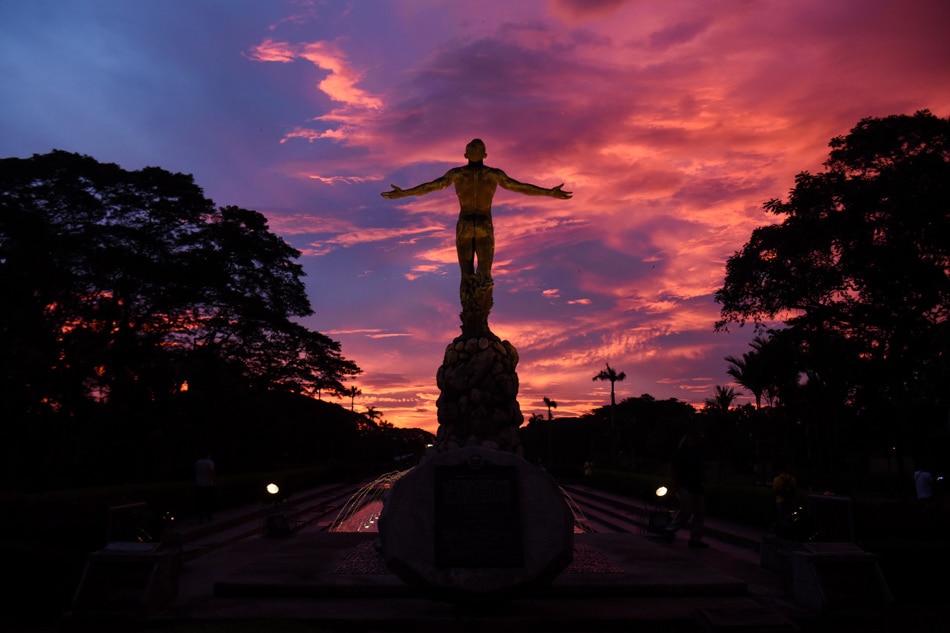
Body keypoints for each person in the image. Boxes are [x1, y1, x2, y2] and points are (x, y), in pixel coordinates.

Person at [381, 138, 572, 281]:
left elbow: (430, 187)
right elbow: (520, 187)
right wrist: (549, 193)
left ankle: (474, 327)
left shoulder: (457, 174)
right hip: (483, 223)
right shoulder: (493, 175)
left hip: (465, 224)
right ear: (485, 155)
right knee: (484, 275)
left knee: (466, 275)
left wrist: (404, 193)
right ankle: (477, 327)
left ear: (466, 156)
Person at [663, 429, 708, 548]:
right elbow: (672, 467)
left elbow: (701, 469)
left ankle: (695, 539)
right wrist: (676, 483)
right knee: (685, 511)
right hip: (685, 485)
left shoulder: (698, 453)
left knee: (699, 513)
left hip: (696, 485)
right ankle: (670, 530)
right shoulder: (681, 452)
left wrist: (704, 481)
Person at [772, 465, 798, 533]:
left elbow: (775, 491)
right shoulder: (792, 478)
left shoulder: (777, 479)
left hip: (780, 500)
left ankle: (783, 531)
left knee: (782, 517)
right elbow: (794, 490)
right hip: (790, 500)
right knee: (791, 516)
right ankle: (791, 531)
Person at [195, 451, 216, 521]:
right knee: (208, 500)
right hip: (208, 484)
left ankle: (200, 515)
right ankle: (208, 515)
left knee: (201, 500)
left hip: (199, 484)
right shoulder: (210, 462)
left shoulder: (198, 462)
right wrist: (214, 482)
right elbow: (211, 473)